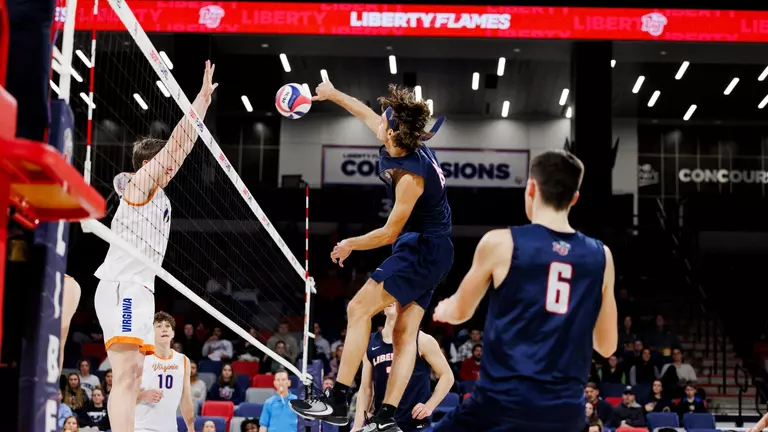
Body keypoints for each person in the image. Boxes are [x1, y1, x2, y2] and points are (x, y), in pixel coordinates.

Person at [290, 80, 453, 432]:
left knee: (358, 308)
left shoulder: (410, 175)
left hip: (421, 248)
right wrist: (332, 95)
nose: (377, 121)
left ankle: (337, 400)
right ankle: (386, 417)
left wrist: (350, 243)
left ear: (392, 133)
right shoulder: (402, 141)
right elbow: (364, 112)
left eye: (384, 120)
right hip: (434, 249)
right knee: (404, 334)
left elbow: (389, 233)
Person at [432, 149, 618, 432]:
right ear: (574, 198)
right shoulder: (601, 256)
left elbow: (460, 312)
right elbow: (607, 346)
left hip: (501, 404)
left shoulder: (500, 242)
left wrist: (444, 308)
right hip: (566, 412)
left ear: (531, 188)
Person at [92, 61, 217, 432]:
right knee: (127, 374)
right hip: (124, 288)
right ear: (148, 163)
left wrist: (204, 102)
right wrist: (195, 103)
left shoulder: (159, 192)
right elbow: (177, 145)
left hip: (142, 290)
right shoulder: (136, 186)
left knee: (134, 373)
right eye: (163, 163)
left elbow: (184, 146)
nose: (171, 167)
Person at [353, 304, 454, 432]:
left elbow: (447, 376)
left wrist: (429, 406)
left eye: (398, 299)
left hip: (414, 422)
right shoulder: (370, 342)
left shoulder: (422, 339)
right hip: (383, 424)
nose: (392, 301)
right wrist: (357, 426)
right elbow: (366, 389)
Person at [135, 312, 196, 432]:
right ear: (151, 333)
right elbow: (122, 394)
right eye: (159, 326)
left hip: (170, 428)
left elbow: (186, 398)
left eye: (168, 326)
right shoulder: (140, 358)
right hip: (141, 427)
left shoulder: (183, 360)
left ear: (172, 333)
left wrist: (191, 428)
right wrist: (142, 395)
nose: (164, 329)